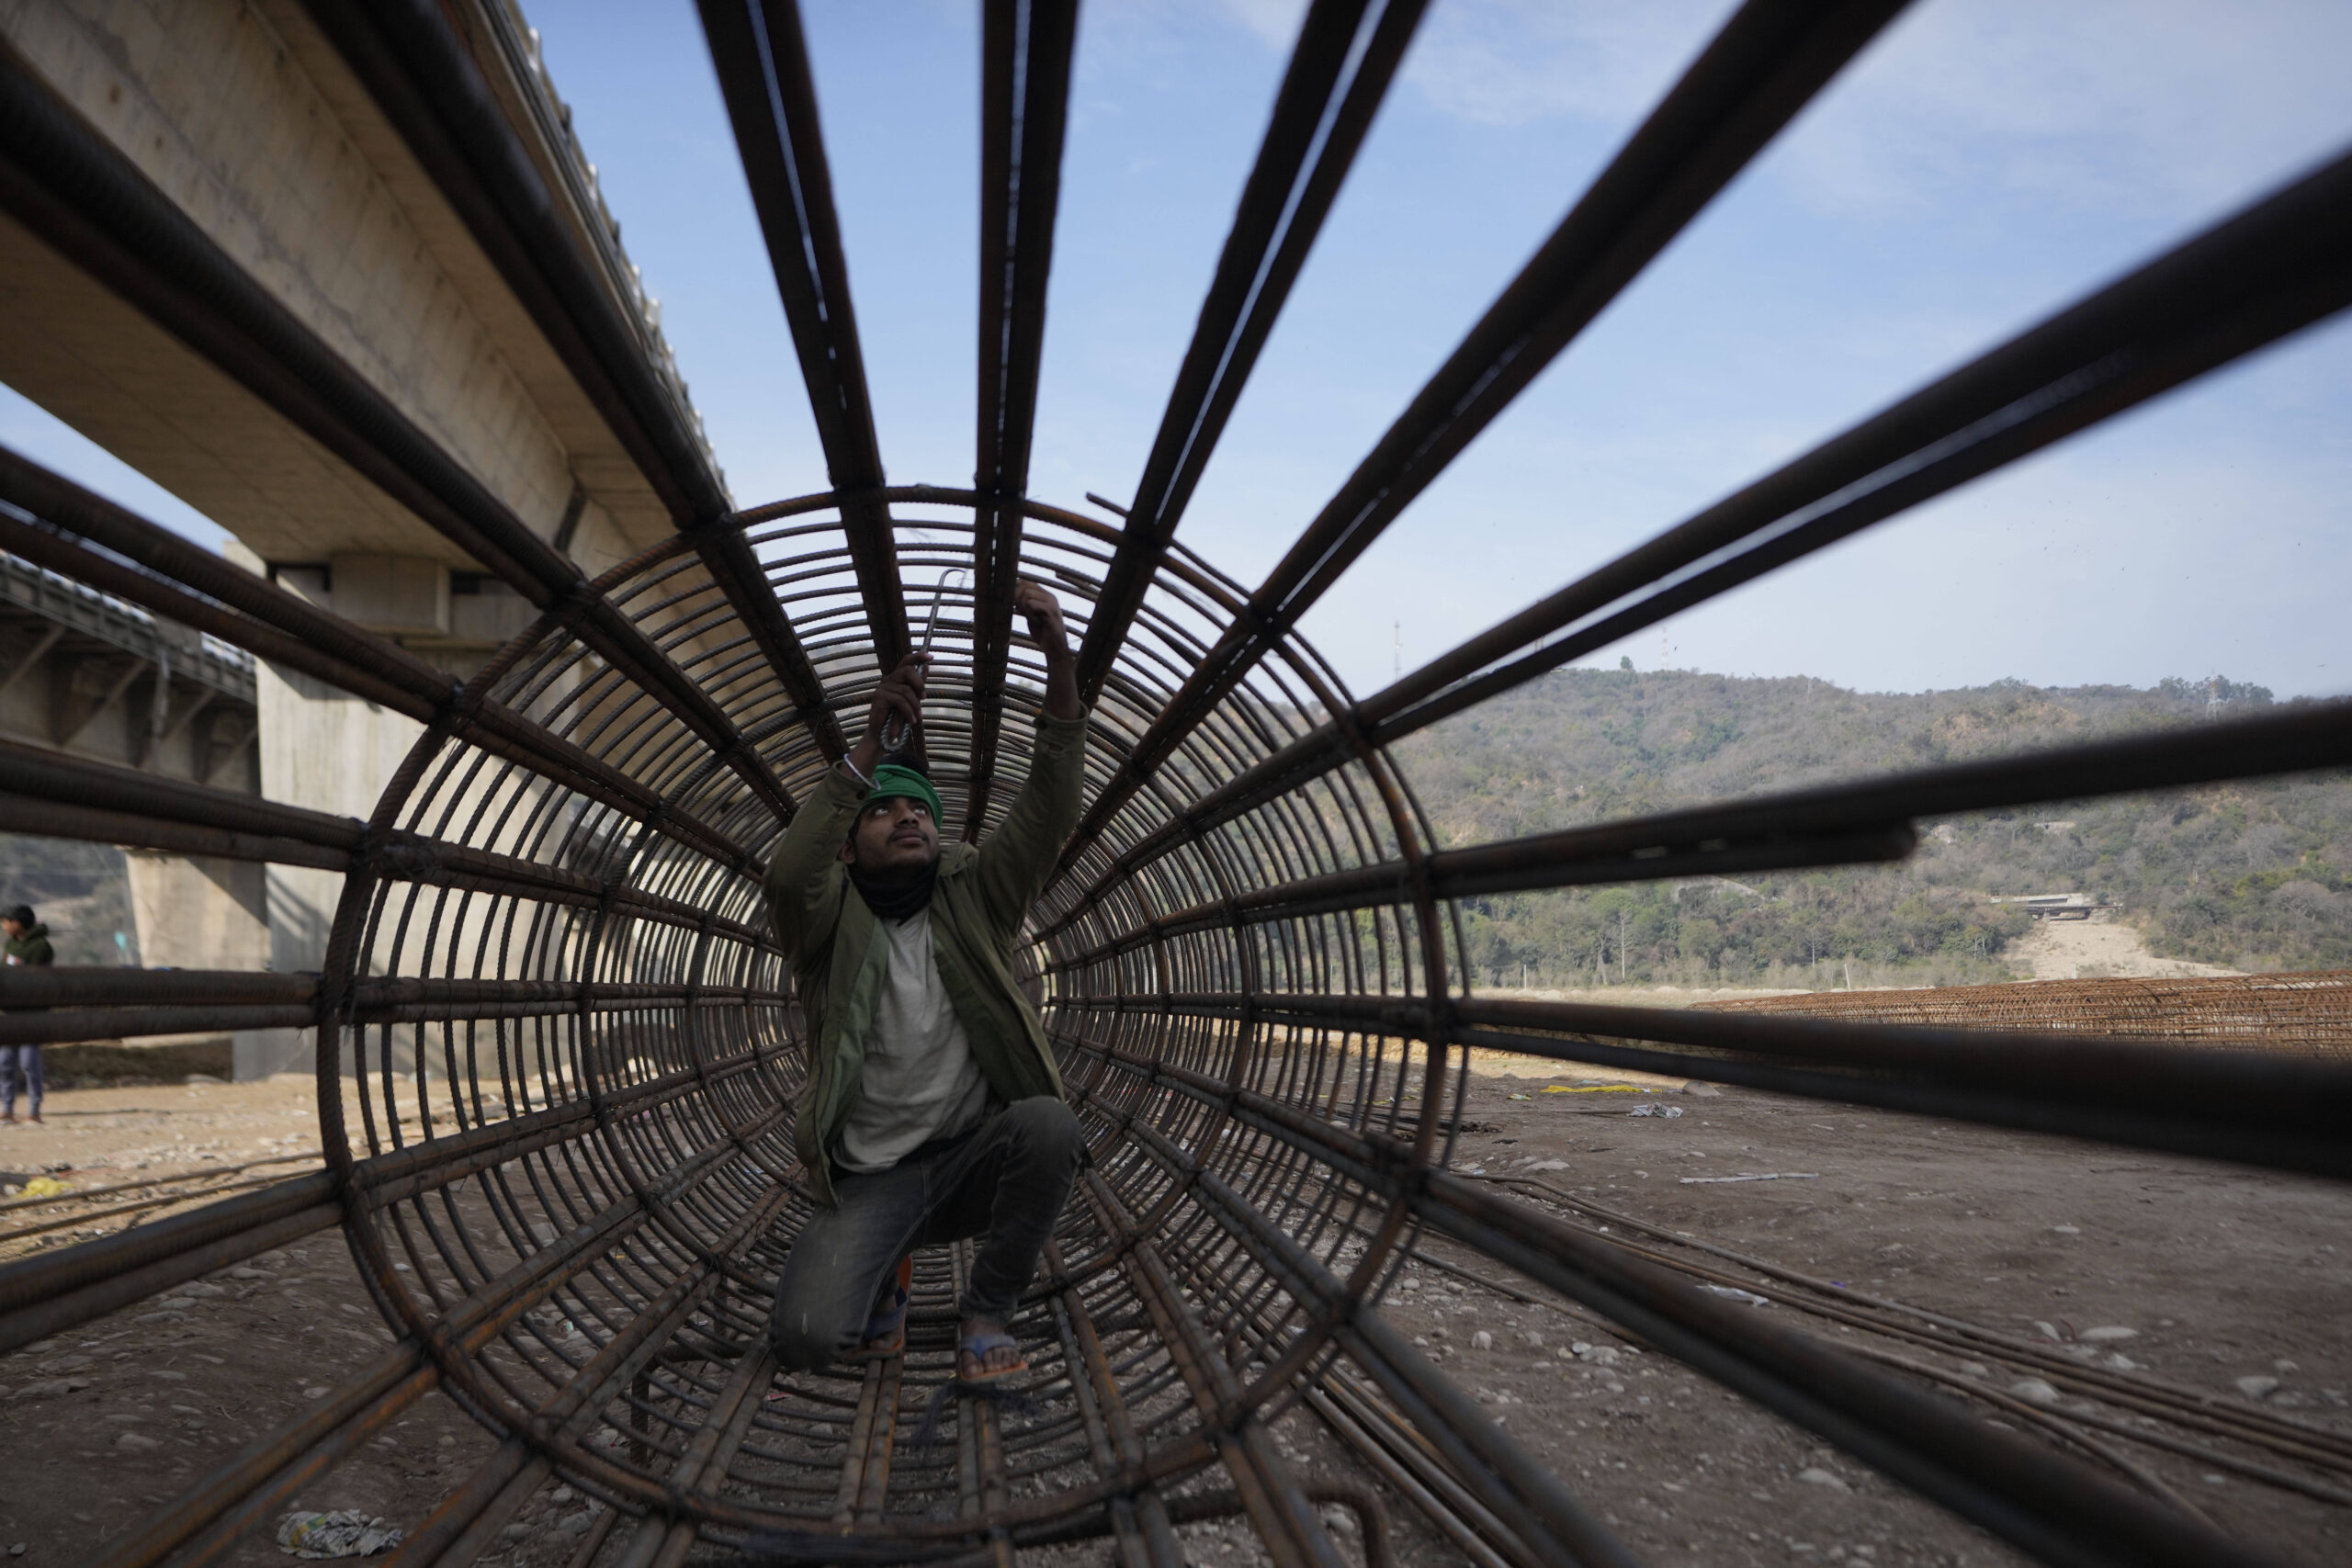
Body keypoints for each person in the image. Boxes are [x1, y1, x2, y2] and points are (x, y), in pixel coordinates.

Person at [763, 581, 1087, 1383]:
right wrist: (869, 742)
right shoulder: (827, 923)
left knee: (1049, 1126)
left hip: (972, 1157)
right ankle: (887, 1277)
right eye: (882, 812)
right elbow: (788, 873)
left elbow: (1047, 813)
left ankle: (986, 1313)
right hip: (875, 1179)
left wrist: (1058, 660)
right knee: (804, 1335)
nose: (907, 817)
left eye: (921, 812)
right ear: (849, 842)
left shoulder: (974, 893)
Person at [2, 904, 53, 1125]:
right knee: (4, 1062)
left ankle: (34, 1110)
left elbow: (34, 979)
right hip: (10, 1014)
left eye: (5, 922)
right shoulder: (10, 944)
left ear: (17, 923)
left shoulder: (41, 948)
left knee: (29, 1063)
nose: (3, 927)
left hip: (32, 1014)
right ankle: (7, 1108)